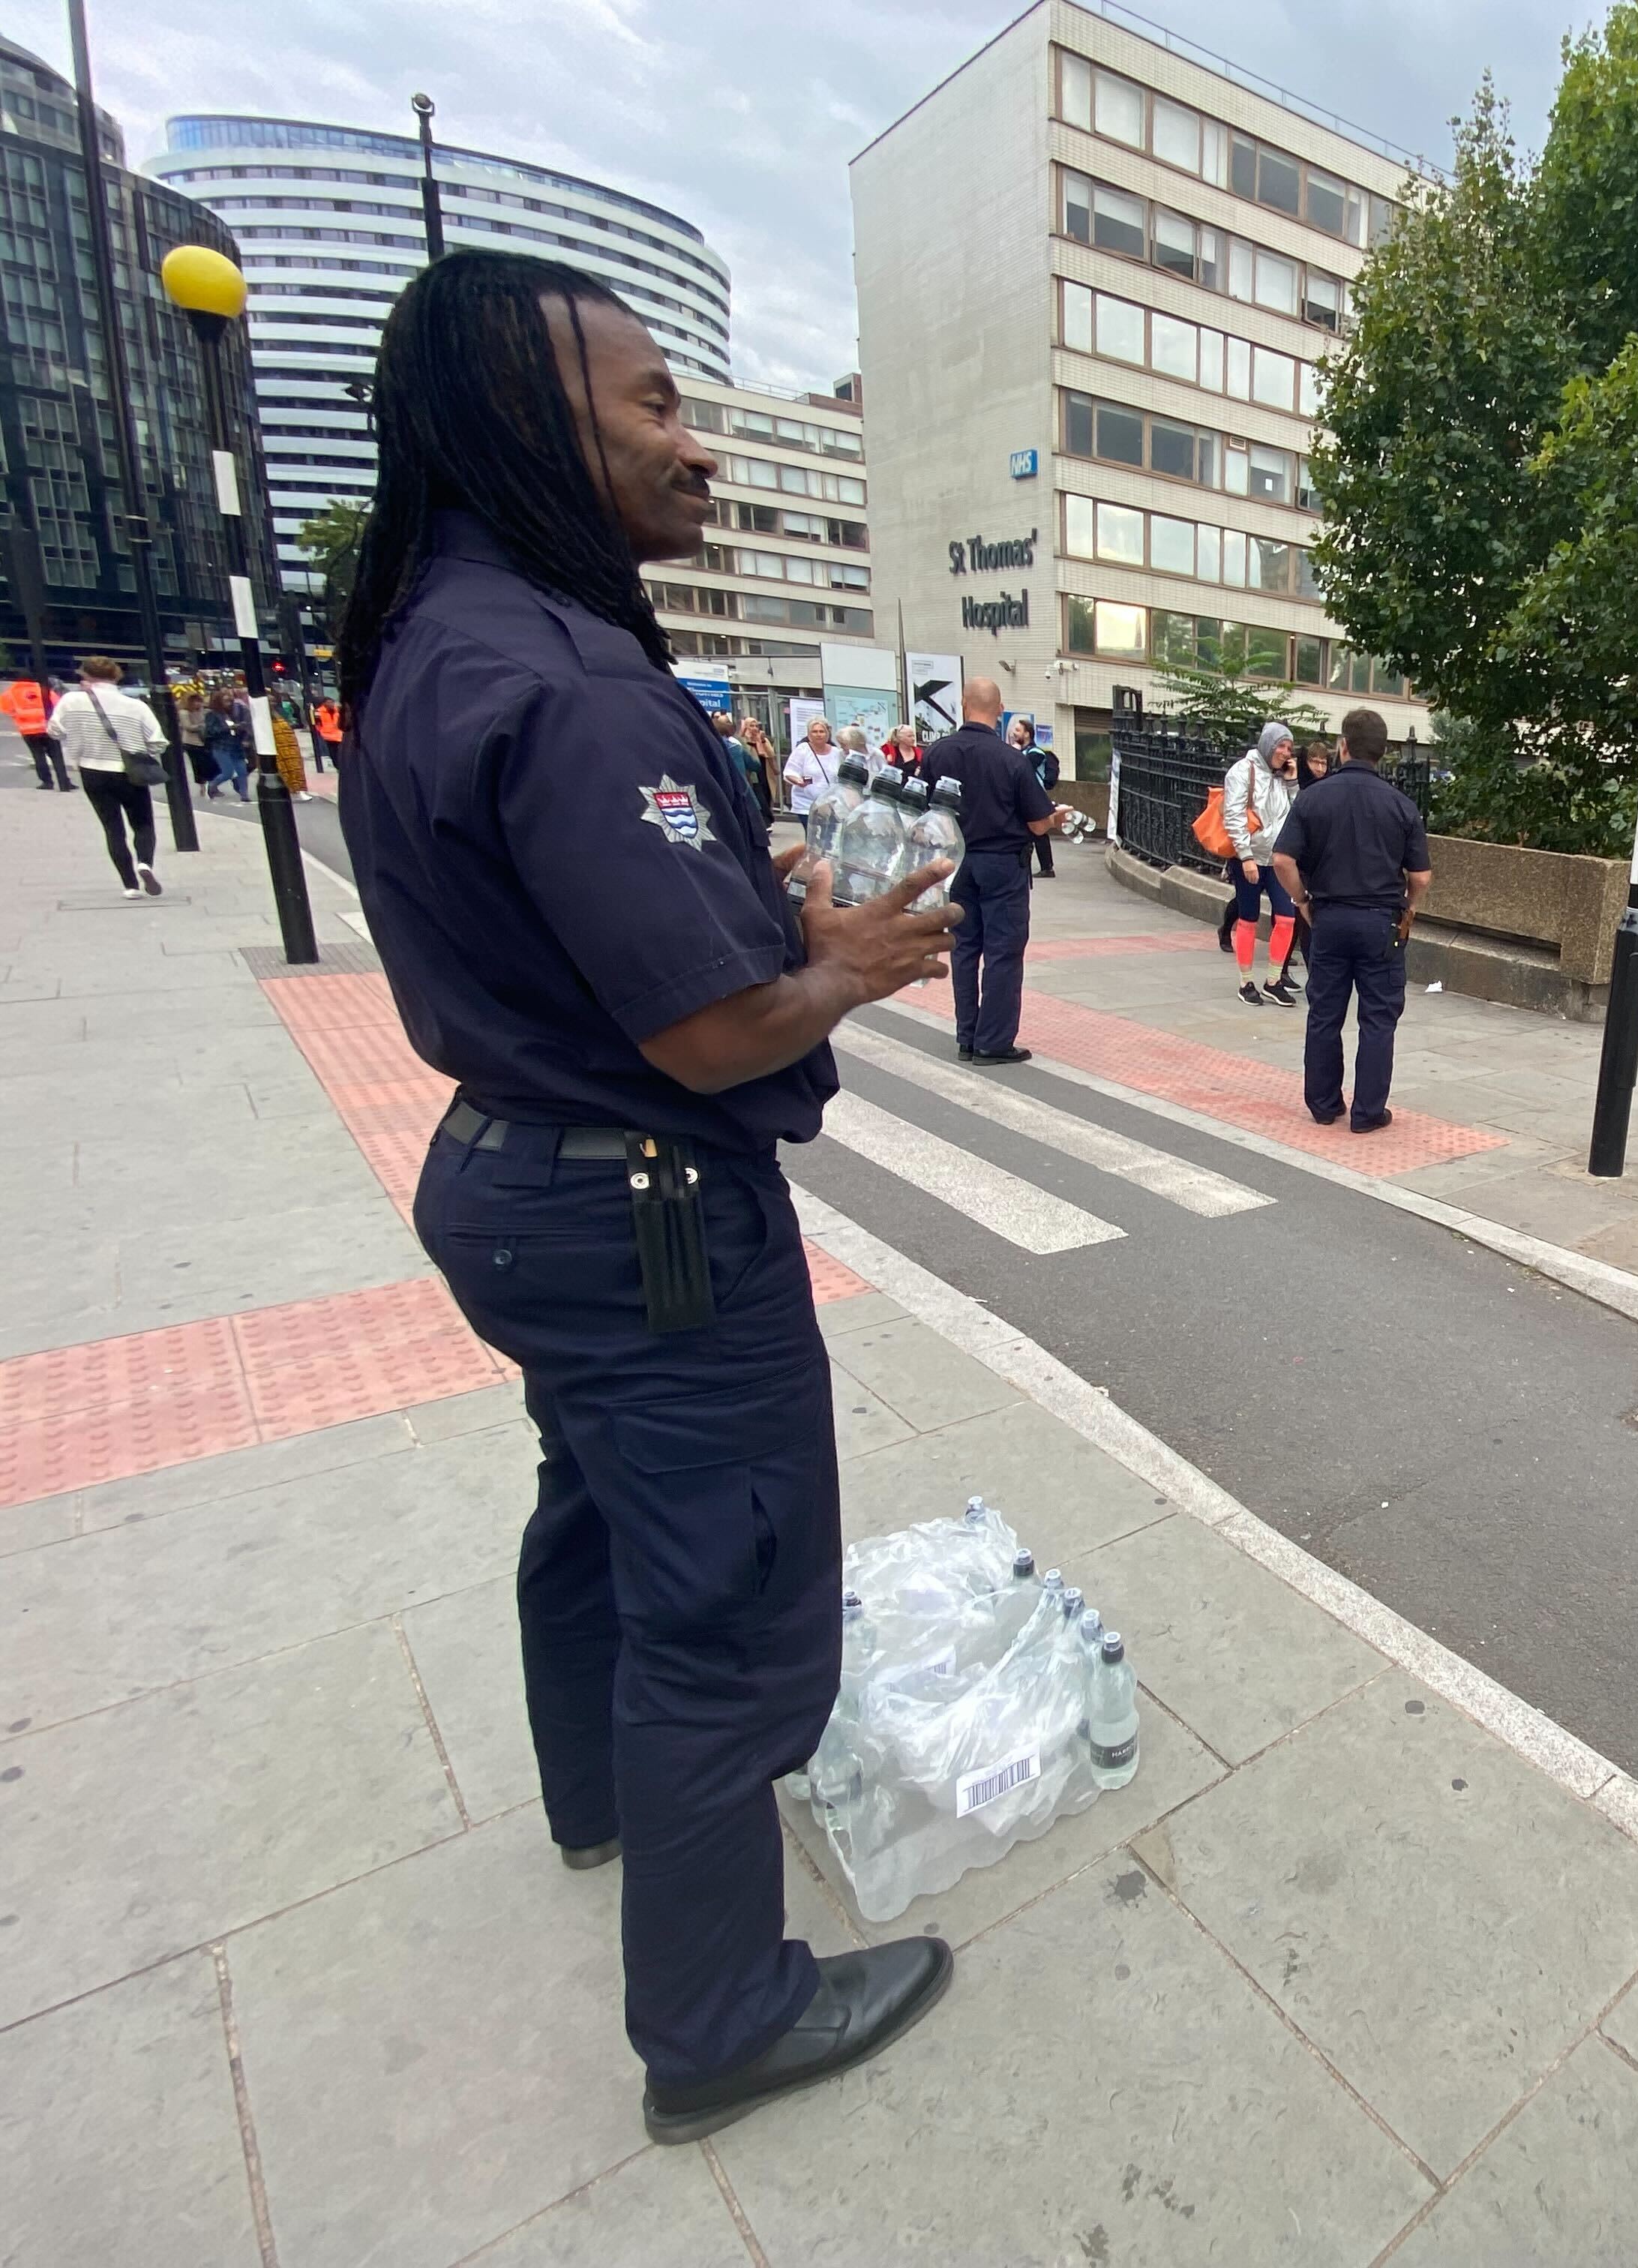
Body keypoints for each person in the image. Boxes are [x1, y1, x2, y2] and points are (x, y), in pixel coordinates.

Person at [334, 249, 963, 2144]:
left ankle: (598, 1798)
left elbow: (602, 937)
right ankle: (719, 2019)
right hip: (642, 1211)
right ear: (532, 422)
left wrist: (785, 923)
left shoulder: (441, 638)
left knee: (600, 1513)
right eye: (659, 408)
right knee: (730, 1594)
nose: (701, 453)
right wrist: (846, 968)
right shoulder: (556, 675)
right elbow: (700, 1033)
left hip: (520, 1184)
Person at [1271, 707, 1429, 1131]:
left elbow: (1282, 859)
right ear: (1383, 754)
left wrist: (1303, 901)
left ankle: (1324, 1105)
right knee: (1378, 1018)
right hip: (1381, 922)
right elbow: (1421, 875)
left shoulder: (1313, 797)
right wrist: (1408, 906)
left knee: (1325, 1013)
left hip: (1330, 919)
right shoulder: (1401, 805)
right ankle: (1368, 1113)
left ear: (1343, 747)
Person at [920, 676, 1058, 1064]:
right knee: (1003, 951)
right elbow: (1037, 823)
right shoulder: (1011, 759)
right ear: (999, 710)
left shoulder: (936, 754)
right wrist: (1055, 816)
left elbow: (921, 809)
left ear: (963, 704)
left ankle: (967, 1037)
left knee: (965, 948)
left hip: (954, 862)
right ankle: (993, 1042)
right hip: (1001, 864)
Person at [53, 656, 170, 898]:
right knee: (143, 823)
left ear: (85, 676)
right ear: (115, 675)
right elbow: (158, 742)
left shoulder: (71, 701)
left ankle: (130, 885)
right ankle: (145, 863)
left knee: (112, 827)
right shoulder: (135, 706)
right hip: (129, 771)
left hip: (92, 770)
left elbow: (55, 730)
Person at [1224, 722, 1300, 1006]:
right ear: (1268, 745)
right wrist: (1245, 856)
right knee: (1248, 919)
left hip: (1276, 858)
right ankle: (1246, 982)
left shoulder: (1282, 778)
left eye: (1289, 748)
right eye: (1281, 746)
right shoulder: (1243, 771)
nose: (1285, 752)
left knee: (1287, 918)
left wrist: (1293, 782)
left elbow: (1296, 814)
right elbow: (1233, 816)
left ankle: (1273, 980)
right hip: (1250, 858)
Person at [1011, 716, 1060, 878]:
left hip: (1035, 796)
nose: (1013, 733)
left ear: (1027, 734)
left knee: (1038, 832)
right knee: (1032, 832)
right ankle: (1038, 867)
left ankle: (1047, 867)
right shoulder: (1023, 752)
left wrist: (1015, 753)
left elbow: (1022, 768)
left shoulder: (1036, 752)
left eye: (1018, 730)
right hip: (1026, 796)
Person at [782, 718, 839, 818]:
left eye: (821, 731)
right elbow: (790, 772)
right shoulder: (803, 749)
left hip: (830, 805)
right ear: (809, 734)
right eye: (814, 732)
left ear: (827, 734)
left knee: (829, 834)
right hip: (806, 804)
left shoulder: (836, 752)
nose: (818, 734)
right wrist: (799, 781)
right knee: (813, 833)